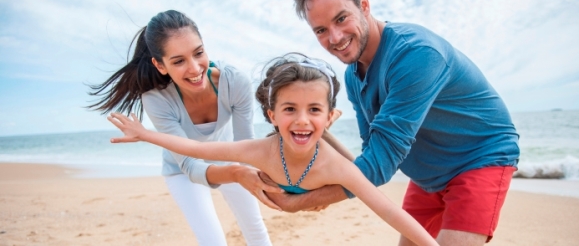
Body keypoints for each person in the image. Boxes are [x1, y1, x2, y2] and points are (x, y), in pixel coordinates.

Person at [263, 0, 520, 246]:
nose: (335, 37)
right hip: (427, 176)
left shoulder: (416, 54)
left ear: (364, 5)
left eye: (341, 18)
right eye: (321, 30)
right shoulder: (353, 74)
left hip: (478, 159)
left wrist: (305, 198)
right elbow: (372, 151)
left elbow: (381, 163)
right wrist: (324, 184)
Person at [107, 53, 440, 246]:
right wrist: (146, 135)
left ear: (329, 114)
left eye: (313, 109)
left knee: (341, 156)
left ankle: (323, 127)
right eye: (289, 109)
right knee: (305, 134)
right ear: (271, 115)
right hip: (287, 156)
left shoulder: (337, 169)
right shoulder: (260, 151)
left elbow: (389, 211)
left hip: (319, 167)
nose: (300, 118)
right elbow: (194, 147)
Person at [87, 10, 275, 246]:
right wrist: (237, 173)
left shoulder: (235, 82)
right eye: (178, 61)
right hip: (182, 170)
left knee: (255, 228)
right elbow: (190, 165)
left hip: (230, 159)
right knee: (212, 241)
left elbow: (246, 146)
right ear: (160, 65)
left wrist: (259, 175)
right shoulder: (157, 100)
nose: (195, 68)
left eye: (199, 53)